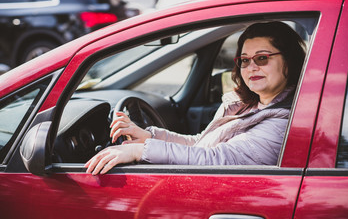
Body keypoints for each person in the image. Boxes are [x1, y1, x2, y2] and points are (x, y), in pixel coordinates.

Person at [85, 21, 306, 175]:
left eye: (262, 58)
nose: (251, 67)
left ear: (290, 61)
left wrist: (139, 150)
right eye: (245, 60)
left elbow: (218, 160)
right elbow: (202, 143)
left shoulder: (282, 121)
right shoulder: (249, 104)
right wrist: (148, 136)